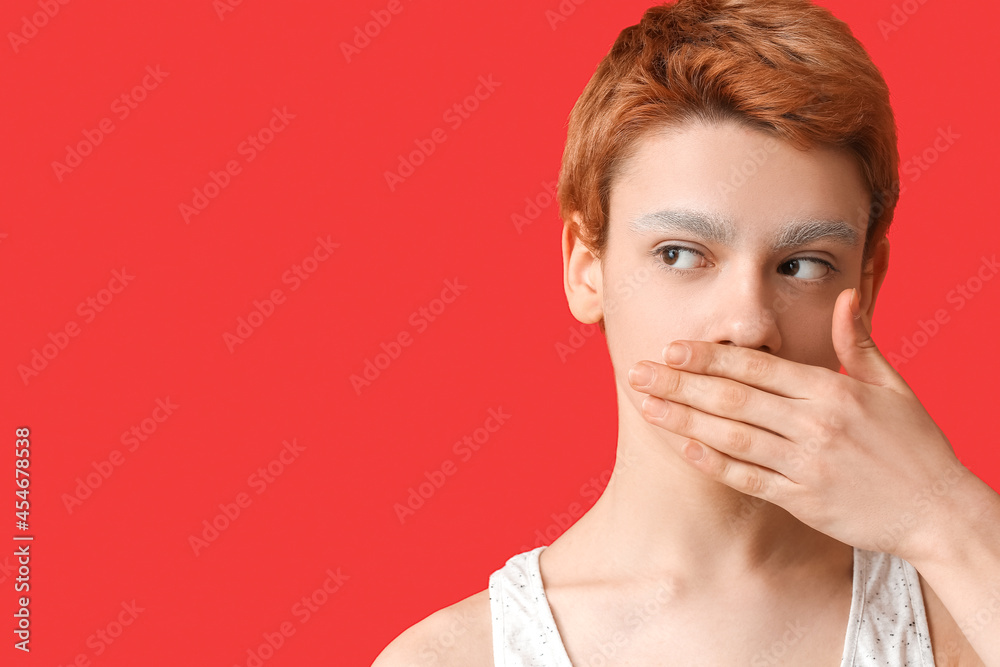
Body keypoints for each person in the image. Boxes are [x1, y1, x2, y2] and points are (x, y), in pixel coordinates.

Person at [373, 1, 1000, 665]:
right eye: (680, 253)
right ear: (586, 269)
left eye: (803, 265)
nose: (748, 323)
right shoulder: (455, 656)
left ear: (865, 285)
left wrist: (948, 514)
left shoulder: (962, 615)